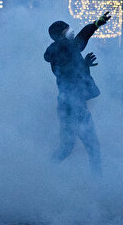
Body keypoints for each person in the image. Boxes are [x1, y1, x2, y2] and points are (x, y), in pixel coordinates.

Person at [44, 11, 111, 175]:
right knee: (92, 147)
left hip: (68, 106)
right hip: (74, 106)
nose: (71, 32)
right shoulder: (64, 46)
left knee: (67, 148)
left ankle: (43, 172)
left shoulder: (62, 50)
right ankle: (98, 184)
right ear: (61, 34)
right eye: (68, 30)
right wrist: (96, 24)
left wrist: (84, 65)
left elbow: (70, 72)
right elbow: (81, 40)